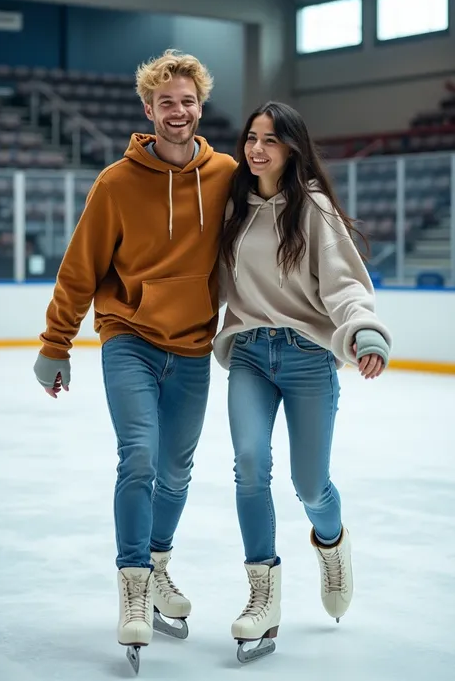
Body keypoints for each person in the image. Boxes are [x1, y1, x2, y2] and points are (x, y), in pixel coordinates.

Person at [33, 50, 237, 656]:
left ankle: (157, 563)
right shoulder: (116, 183)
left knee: (177, 471)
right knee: (140, 457)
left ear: (200, 107)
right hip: (130, 339)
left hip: (195, 345)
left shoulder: (225, 173)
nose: (178, 111)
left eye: (188, 101)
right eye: (166, 102)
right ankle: (132, 584)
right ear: (148, 109)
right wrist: (55, 342)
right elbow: (79, 268)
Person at [213, 101, 391, 661]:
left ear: (292, 147)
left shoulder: (312, 207)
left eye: (271, 139)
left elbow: (344, 284)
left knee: (311, 485)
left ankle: (332, 542)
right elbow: (205, 279)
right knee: (248, 463)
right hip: (248, 354)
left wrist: (364, 332)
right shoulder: (232, 209)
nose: (257, 148)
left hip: (308, 356)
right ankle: (262, 593)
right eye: (251, 138)